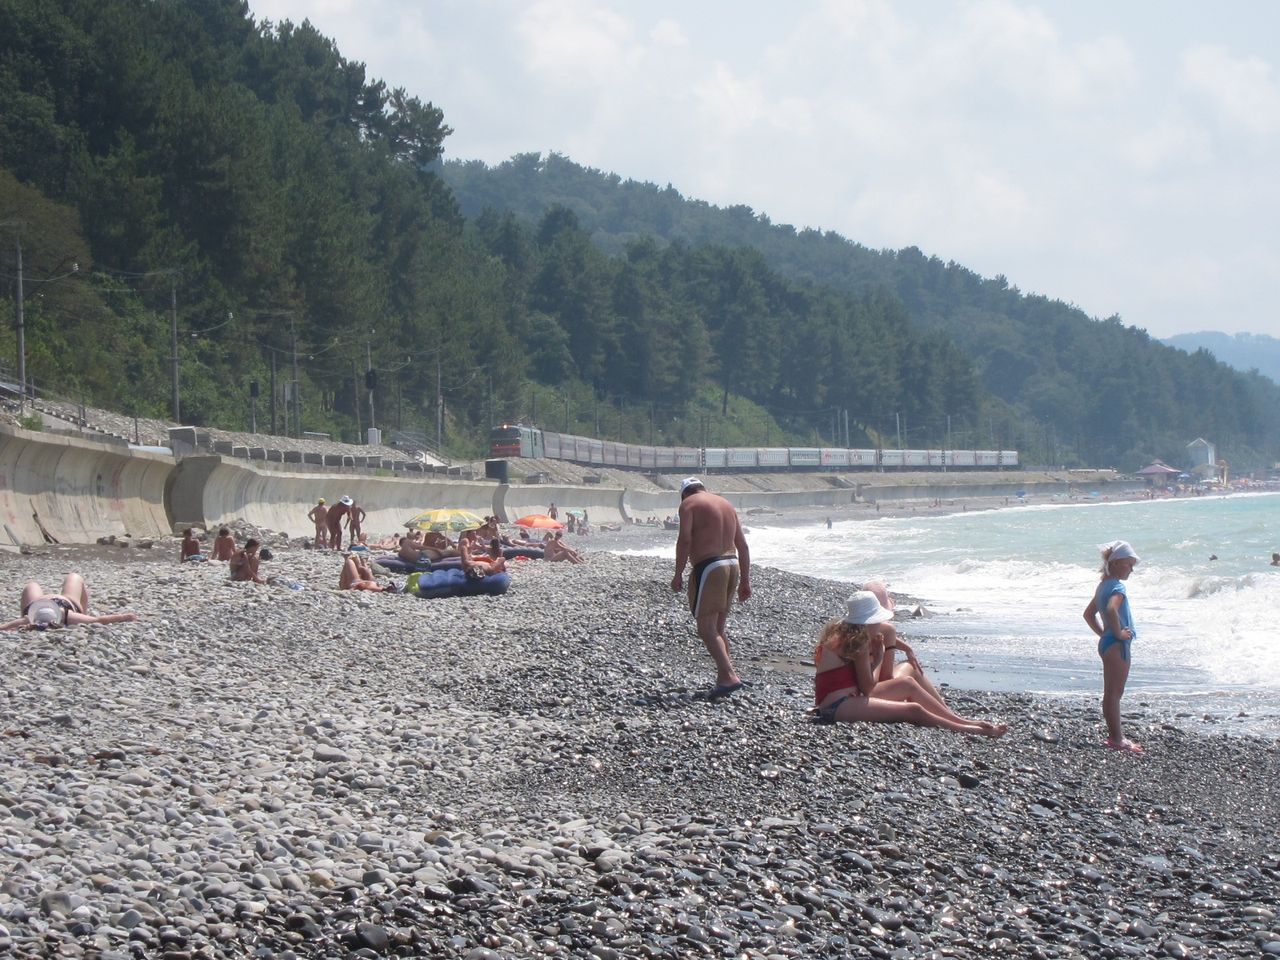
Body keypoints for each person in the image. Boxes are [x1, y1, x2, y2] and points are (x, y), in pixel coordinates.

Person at [814, 591, 1008, 735]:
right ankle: (968, 729)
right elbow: (867, 688)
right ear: (868, 622)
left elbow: (861, 684)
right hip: (836, 706)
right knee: (912, 710)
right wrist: (879, 658)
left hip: (847, 697)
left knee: (907, 683)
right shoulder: (859, 642)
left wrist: (889, 650)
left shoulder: (845, 632)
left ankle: (963, 720)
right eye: (877, 621)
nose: (879, 625)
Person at [670, 476, 751, 697]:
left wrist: (678, 574)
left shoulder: (688, 504)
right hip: (732, 563)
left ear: (684, 493)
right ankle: (726, 674)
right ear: (702, 488)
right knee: (718, 628)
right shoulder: (726, 504)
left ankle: (729, 677)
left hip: (710, 566)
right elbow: (742, 545)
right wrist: (745, 580)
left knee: (706, 628)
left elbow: (685, 540)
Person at [1083, 540, 1143, 753]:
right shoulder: (1117, 587)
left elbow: (1088, 614)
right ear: (1116, 563)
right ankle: (1117, 739)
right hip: (1117, 645)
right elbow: (1110, 609)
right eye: (1128, 564)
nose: (1131, 570)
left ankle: (1114, 737)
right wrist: (1117, 633)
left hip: (1107, 643)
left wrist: (1104, 634)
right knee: (1115, 693)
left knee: (1110, 692)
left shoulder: (1103, 586)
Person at [2, 574, 139, 631]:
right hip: (63, 603)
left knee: (31, 585)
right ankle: (83, 614)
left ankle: (82, 616)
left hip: (34, 606)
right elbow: (98, 620)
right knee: (74, 577)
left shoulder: (28, 619)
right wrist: (124, 617)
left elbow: (3, 627)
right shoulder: (65, 614)